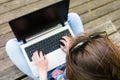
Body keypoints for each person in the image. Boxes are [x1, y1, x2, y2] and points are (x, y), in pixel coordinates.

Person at [5, 12, 84, 80]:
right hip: (73, 62)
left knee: (11, 45)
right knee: (73, 17)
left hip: (47, 74)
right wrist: (72, 52)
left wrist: (42, 71)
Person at [32, 31, 120, 80]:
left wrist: (42, 71)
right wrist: (74, 51)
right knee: (72, 18)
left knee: (17, 46)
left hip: (50, 74)